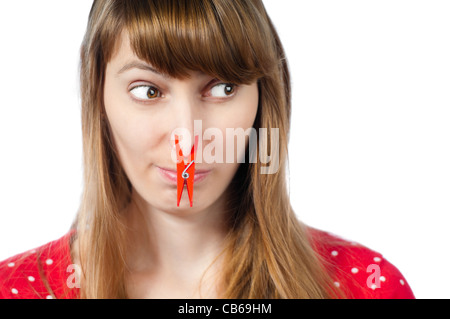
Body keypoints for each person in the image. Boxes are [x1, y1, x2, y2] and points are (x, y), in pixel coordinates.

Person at [0, 0, 414, 299]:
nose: (187, 136)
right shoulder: (16, 290)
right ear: (99, 99)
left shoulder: (366, 287)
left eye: (221, 88)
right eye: (148, 91)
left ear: (263, 99)